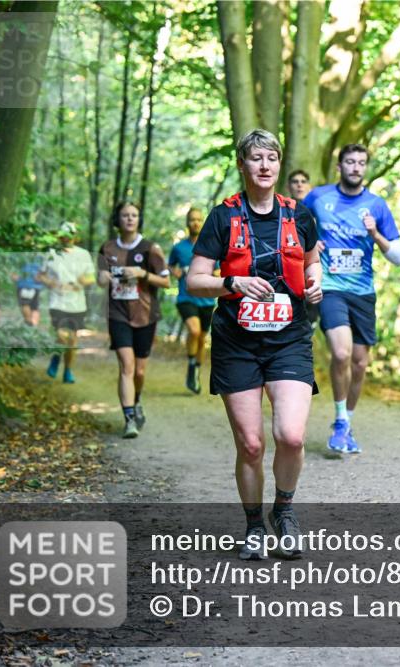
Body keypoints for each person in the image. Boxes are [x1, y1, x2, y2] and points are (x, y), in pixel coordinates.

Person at [186, 129, 323, 561]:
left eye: (271, 158)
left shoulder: (299, 215)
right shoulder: (222, 217)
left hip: (289, 339)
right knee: (250, 445)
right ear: (242, 165)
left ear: (279, 165)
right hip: (237, 342)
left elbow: (314, 261)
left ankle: (284, 511)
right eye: (256, 158)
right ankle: (253, 526)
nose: (264, 165)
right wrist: (233, 282)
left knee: (291, 436)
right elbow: (194, 280)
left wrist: (315, 282)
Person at [304, 144, 400, 453]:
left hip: (363, 292)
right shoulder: (318, 198)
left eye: (361, 162)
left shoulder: (376, 205)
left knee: (359, 363)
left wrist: (375, 235)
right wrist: (311, 244)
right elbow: (293, 228)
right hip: (331, 288)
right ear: (340, 166)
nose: (356, 167)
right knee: (341, 353)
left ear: (366, 168)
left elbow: (398, 257)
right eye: (350, 162)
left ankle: (347, 423)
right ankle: (338, 421)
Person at [97, 202, 171, 439]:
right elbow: (100, 278)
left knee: (139, 371)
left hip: (145, 315)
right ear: (117, 220)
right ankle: (129, 419)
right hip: (117, 314)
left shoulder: (150, 248)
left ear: (139, 219)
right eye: (125, 215)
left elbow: (166, 282)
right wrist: (102, 276)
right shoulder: (107, 248)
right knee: (126, 366)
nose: (130, 219)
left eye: (134, 215)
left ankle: (136, 400)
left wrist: (142, 274)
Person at [37, 222, 95, 384]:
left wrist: (81, 282)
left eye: (70, 235)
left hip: (77, 304)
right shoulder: (51, 253)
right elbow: (40, 275)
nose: (66, 238)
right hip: (57, 302)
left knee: (72, 340)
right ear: (59, 236)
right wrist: (53, 283)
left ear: (75, 237)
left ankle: (68, 370)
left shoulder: (83, 254)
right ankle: (56, 358)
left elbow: (91, 277)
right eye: (63, 235)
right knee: (61, 336)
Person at [169, 207, 214, 394]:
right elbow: (170, 265)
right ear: (187, 223)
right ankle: (190, 363)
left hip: (207, 300)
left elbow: (219, 270)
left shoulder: (211, 246)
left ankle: (195, 371)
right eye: (192, 219)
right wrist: (177, 272)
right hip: (186, 297)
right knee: (194, 331)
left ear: (203, 223)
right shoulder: (179, 248)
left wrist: (211, 274)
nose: (196, 223)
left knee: (202, 338)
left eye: (199, 219)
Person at [14, 254, 44, 327]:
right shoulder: (41, 256)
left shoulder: (22, 255)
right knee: (35, 307)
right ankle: (34, 324)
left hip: (24, 284)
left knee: (25, 304)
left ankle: (28, 322)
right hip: (37, 286)